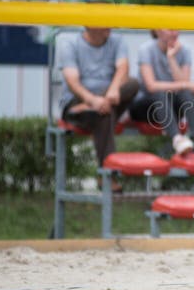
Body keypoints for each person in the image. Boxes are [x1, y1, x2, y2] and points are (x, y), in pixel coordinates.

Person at [59, 27, 139, 190]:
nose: (108, 25)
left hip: (107, 99)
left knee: (132, 84)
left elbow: (123, 68)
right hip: (77, 101)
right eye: (103, 20)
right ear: (89, 24)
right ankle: (108, 177)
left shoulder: (117, 40)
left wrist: (113, 89)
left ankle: (106, 176)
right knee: (105, 113)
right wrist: (91, 100)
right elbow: (72, 81)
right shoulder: (70, 44)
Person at [129, 29, 194, 155]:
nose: (174, 33)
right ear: (157, 30)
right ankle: (177, 138)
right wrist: (186, 85)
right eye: (169, 29)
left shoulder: (184, 50)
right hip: (146, 107)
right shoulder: (146, 49)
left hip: (171, 109)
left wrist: (171, 58)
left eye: (176, 29)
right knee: (161, 92)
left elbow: (184, 86)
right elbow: (151, 86)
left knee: (184, 93)